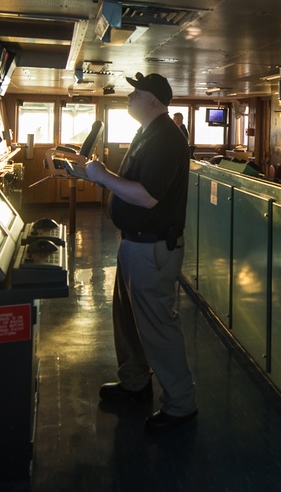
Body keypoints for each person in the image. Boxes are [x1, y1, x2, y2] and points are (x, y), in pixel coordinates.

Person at [84, 73, 198, 432]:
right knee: (128, 319)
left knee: (158, 326)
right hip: (134, 242)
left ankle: (181, 404)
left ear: (153, 100)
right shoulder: (147, 133)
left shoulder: (166, 139)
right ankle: (135, 382)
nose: (129, 97)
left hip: (152, 248)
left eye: (136, 92)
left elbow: (148, 196)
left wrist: (101, 176)